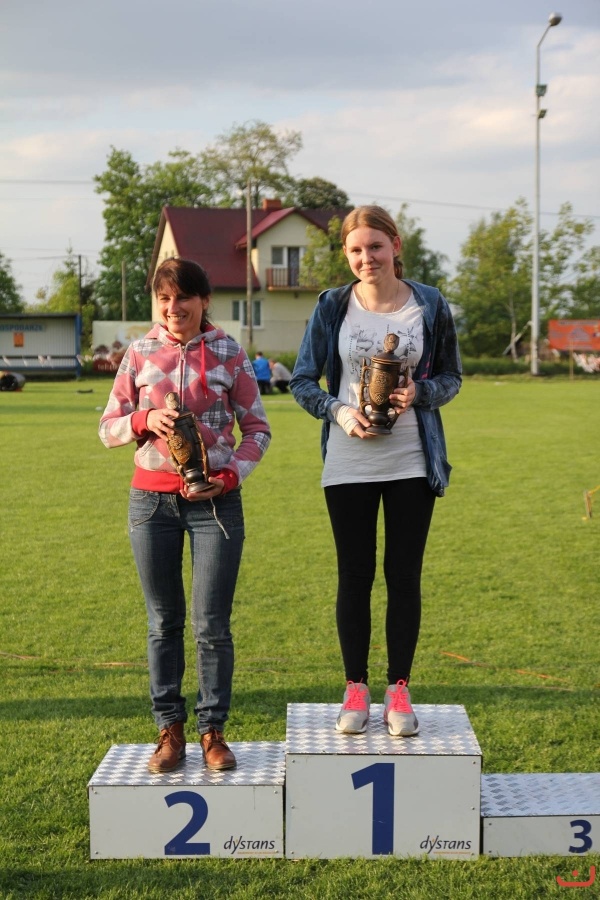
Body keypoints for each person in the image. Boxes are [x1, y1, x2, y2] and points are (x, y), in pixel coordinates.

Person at [290, 206, 461, 738]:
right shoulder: (332, 305)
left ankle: (399, 690)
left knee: (403, 576)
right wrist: (340, 412)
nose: (367, 258)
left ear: (395, 245)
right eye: (356, 250)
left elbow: (452, 377)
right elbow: (302, 381)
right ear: (347, 255)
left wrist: (420, 393)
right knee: (355, 575)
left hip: (412, 459)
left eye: (375, 247)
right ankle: (356, 689)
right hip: (348, 461)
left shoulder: (429, 304)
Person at [99, 258, 271, 773]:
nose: (173, 308)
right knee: (163, 622)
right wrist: (144, 418)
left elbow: (258, 430)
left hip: (216, 504)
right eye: (164, 299)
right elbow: (107, 428)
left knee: (212, 625)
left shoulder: (230, 353)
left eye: (183, 298)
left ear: (204, 300)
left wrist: (230, 475)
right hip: (150, 503)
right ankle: (169, 731)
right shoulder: (139, 352)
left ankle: (212, 732)